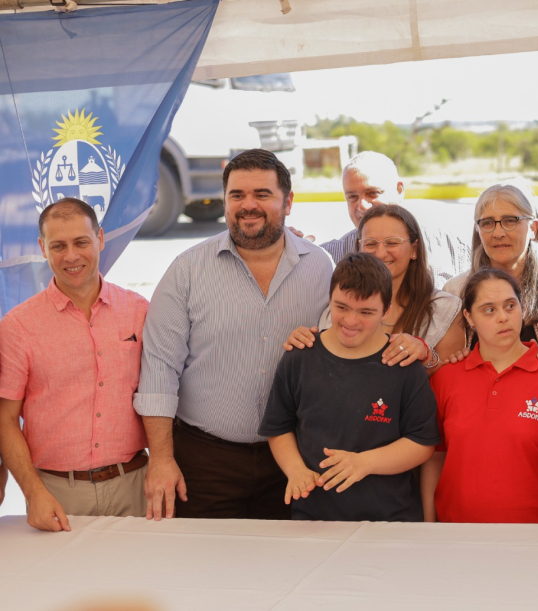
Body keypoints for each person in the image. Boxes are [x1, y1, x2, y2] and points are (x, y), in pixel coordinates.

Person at [134, 149, 334, 521]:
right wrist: (161, 459)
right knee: (205, 572)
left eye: (262, 194)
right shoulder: (187, 270)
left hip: (292, 463)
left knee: (286, 571)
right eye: (237, 195)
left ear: (288, 202)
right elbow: (159, 370)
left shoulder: (320, 268)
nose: (248, 205)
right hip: (206, 463)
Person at [0, 198, 149, 532]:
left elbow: (161, 394)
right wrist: (33, 492)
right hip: (56, 493)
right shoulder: (17, 325)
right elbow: (5, 419)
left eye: (81, 242)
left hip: (135, 486)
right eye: (58, 245)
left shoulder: (139, 311)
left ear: (100, 238)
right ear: (42, 247)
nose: (71, 256)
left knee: (139, 583)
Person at [259, 254, 439, 522]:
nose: (351, 321)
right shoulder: (299, 357)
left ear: (386, 310)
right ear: (329, 299)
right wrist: (296, 470)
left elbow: (422, 443)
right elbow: (278, 427)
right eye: (341, 307)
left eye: (366, 312)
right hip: (314, 517)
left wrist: (363, 463)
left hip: (390, 519)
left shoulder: (404, 365)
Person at [421, 268, 538, 524]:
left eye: (510, 306)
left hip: (536, 540)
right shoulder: (445, 379)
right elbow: (435, 458)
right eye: (489, 309)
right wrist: (428, 527)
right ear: (469, 317)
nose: (503, 317)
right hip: (456, 539)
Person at [285, 205, 465, 375]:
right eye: (370, 244)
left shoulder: (445, 310)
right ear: (359, 249)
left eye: (392, 243)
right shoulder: (332, 311)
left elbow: (453, 383)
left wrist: (426, 357)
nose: (380, 253)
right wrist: (304, 343)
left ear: (414, 249)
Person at [444, 184, 538, 357]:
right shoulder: (455, 293)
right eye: (488, 223)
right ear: (478, 230)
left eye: (510, 221)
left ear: (533, 228)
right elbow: (446, 367)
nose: (498, 233)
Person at [316, 151, 470, 289]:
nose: (361, 205)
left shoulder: (450, 248)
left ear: (399, 191)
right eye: (352, 197)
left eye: (373, 193)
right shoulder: (327, 260)